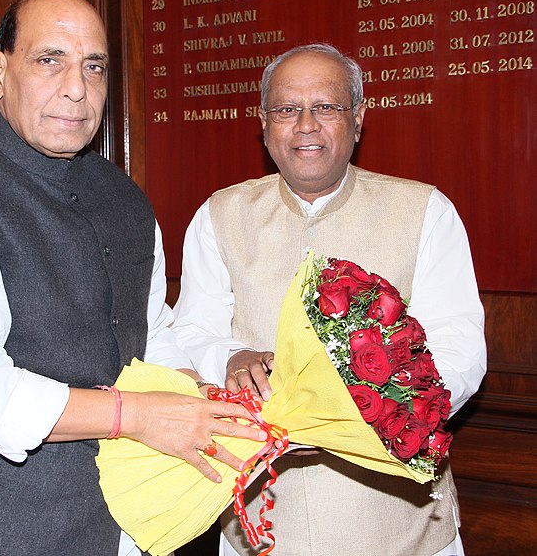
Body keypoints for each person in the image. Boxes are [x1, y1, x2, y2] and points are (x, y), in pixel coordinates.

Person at [0, 0, 267, 556]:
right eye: (49, 60)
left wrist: (203, 398)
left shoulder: (128, 201)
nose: (77, 89)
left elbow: (152, 335)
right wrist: (134, 414)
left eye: (94, 67)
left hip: (115, 519)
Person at [171, 43, 487, 556]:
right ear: (264, 123)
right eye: (287, 109)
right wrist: (230, 357)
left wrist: (365, 400)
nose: (306, 125)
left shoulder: (424, 210)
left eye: (327, 107)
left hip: (400, 524)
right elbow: (190, 333)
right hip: (261, 518)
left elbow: (460, 352)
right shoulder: (218, 216)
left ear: (358, 119)